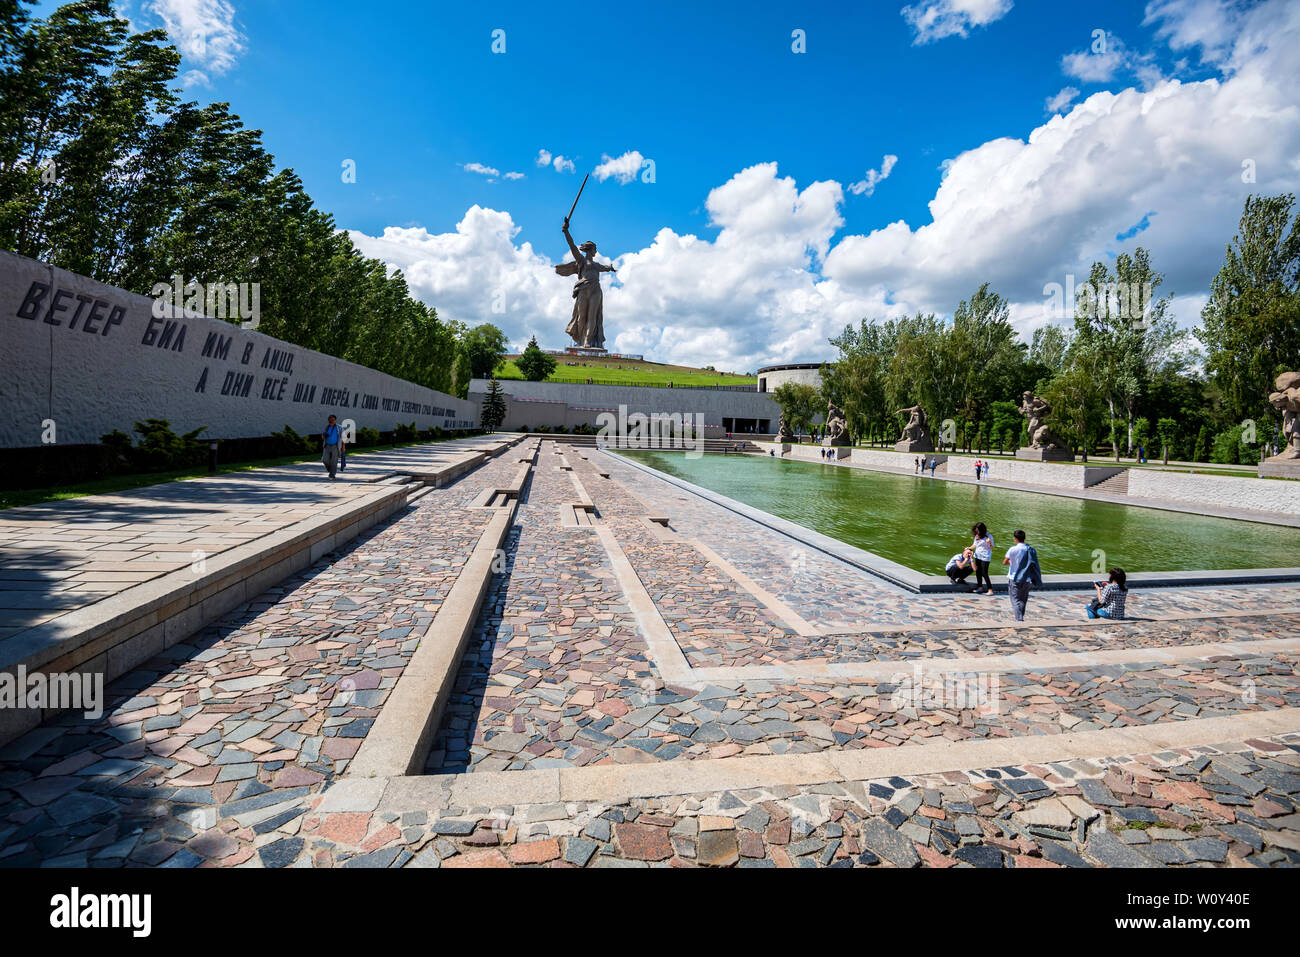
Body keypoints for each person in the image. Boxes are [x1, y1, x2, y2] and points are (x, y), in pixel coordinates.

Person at [1002, 529, 1042, 621]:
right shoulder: (1031, 549)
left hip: (1014, 577)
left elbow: (1005, 562)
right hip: (1027, 578)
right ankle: (1020, 616)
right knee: (1023, 600)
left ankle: (1019, 619)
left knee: (1015, 599)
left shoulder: (1013, 549)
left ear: (1015, 538)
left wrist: (1012, 562)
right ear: (1025, 538)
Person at [970, 521, 994, 594]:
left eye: (978, 530)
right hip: (977, 555)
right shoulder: (977, 535)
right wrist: (969, 548)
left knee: (984, 573)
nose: (977, 531)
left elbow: (992, 548)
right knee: (978, 572)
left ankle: (990, 590)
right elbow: (975, 545)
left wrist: (989, 542)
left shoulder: (989, 536)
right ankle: (980, 587)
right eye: (976, 530)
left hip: (985, 557)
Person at [321, 414, 344, 480]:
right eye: (330, 420)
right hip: (327, 445)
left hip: (335, 446)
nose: (331, 421)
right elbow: (323, 437)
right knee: (325, 460)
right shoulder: (327, 427)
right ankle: (330, 470)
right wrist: (323, 436)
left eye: (332, 420)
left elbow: (343, 438)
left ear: (335, 420)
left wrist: (343, 447)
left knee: (334, 461)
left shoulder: (339, 428)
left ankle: (332, 475)